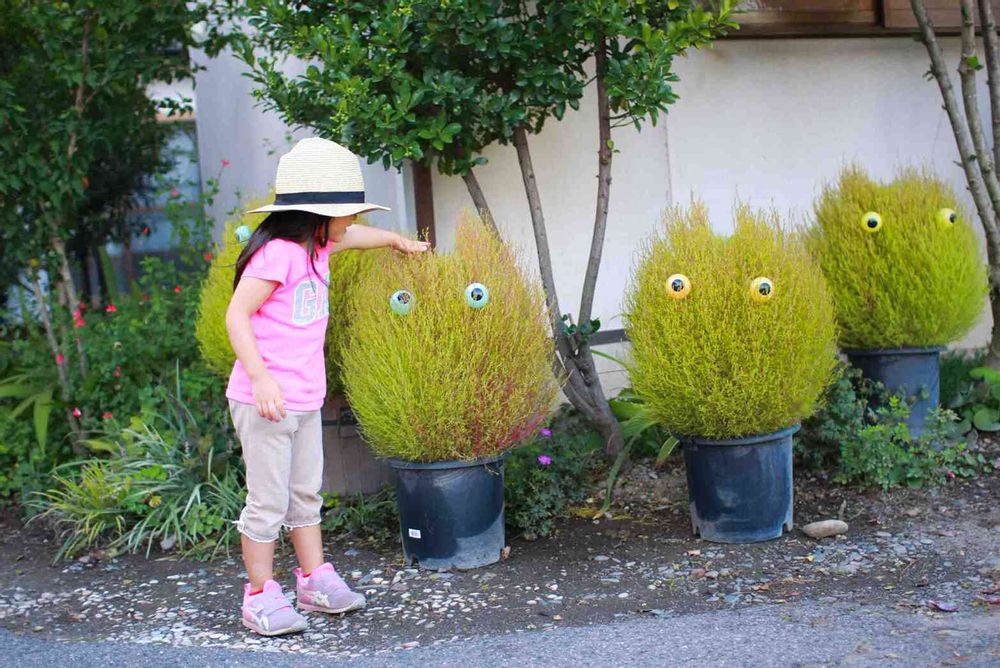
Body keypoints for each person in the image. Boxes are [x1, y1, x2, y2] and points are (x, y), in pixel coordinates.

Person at [225, 137, 429, 636]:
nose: (352, 221)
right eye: (346, 214)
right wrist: (261, 378)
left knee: (305, 495)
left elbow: (356, 238)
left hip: (304, 397)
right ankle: (259, 596)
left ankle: (313, 580)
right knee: (267, 503)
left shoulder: (319, 246)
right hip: (265, 400)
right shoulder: (277, 255)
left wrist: (396, 241)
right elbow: (236, 315)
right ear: (318, 216)